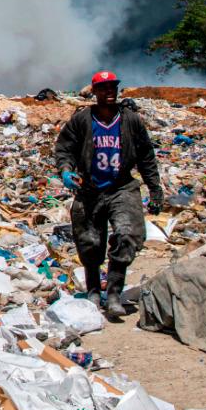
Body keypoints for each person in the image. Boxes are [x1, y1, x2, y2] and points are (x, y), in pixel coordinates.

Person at [54, 70, 164, 320]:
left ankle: (114, 292)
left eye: (113, 88)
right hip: (89, 188)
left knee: (127, 235)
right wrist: (66, 171)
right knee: (90, 243)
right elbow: (64, 148)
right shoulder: (83, 120)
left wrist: (155, 189)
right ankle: (93, 290)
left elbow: (146, 156)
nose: (109, 92)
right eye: (103, 88)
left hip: (122, 187)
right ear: (94, 92)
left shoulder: (130, 120)